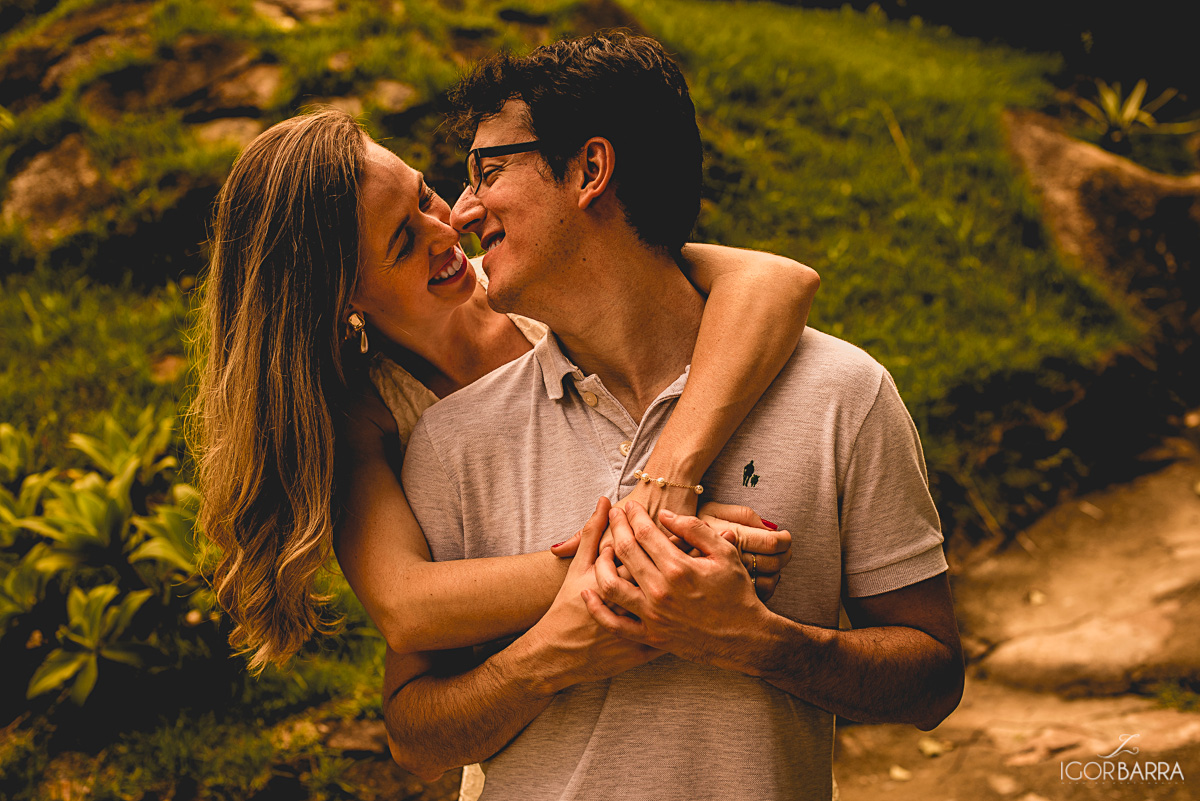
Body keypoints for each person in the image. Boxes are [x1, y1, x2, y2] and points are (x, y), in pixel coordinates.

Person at [386, 31, 965, 800]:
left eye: (488, 171)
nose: (464, 210)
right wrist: (555, 654)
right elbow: (413, 736)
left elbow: (933, 677)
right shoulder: (455, 439)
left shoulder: (841, 392)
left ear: (590, 169)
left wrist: (760, 642)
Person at [190, 101, 818, 724]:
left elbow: (777, 282)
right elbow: (406, 607)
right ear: (342, 294)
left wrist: (669, 480)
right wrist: (654, 547)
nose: (446, 230)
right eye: (405, 241)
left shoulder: (533, 277)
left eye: (425, 195)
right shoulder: (365, 409)